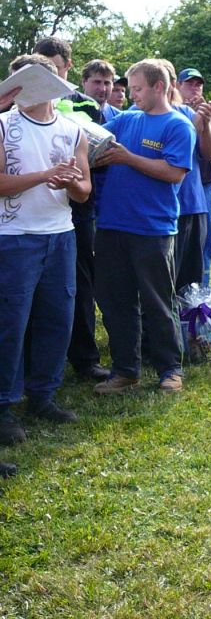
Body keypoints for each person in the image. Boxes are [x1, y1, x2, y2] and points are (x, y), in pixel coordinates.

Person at [0, 54, 91, 454]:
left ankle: (43, 396)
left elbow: (84, 192)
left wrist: (71, 183)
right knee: (10, 324)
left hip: (60, 235)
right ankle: (5, 405)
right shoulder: (3, 125)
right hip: (14, 237)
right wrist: (44, 175)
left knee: (57, 318)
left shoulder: (74, 130)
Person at [93, 59, 195, 395]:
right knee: (116, 302)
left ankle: (170, 369)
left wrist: (128, 158)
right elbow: (95, 140)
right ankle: (125, 371)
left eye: (137, 89)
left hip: (153, 228)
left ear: (159, 87)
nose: (131, 94)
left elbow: (174, 173)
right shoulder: (126, 120)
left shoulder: (178, 126)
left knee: (158, 301)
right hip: (112, 225)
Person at [34, 39, 109, 382]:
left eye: (56, 68)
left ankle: (84, 358)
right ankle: (33, 360)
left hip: (77, 210)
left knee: (79, 284)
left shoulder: (86, 105)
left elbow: (101, 152)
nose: (50, 76)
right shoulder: (21, 103)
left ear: (68, 66)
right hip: (30, 209)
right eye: (42, 68)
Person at [171, 67, 211, 292]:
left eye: (198, 84)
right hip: (174, 194)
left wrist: (205, 123)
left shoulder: (201, 111)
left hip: (200, 190)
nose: (195, 88)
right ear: (176, 86)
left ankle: (200, 296)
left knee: (202, 248)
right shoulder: (173, 113)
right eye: (189, 84)